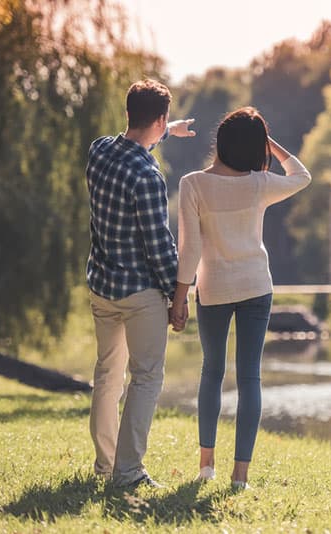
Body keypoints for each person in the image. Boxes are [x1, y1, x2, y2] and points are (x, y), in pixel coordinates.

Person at [170, 107, 311, 490]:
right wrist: (273, 146)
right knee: (250, 378)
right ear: (256, 147)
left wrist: (179, 299)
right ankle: (240, 477)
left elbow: (189, 249)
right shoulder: (260, 183)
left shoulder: (193, 184)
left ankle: (206, 466)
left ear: (220, 141)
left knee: (211, 372)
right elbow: (302, 175)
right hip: (256, 288)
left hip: (213, 288)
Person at [86, 79, 195, 488]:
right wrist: (180, 296)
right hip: (138, 294)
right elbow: (159, 246)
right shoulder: (148, 177)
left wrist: (170, 129)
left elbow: (137, 142)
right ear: (159, 118)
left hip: (102, 286)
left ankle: (106, 464)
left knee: (107, 375)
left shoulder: (98, 150)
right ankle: (128, 473)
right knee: (146, 376)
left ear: (128, 112)